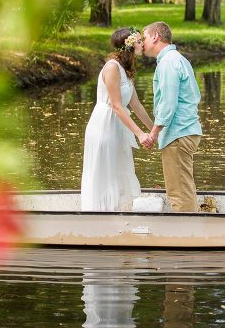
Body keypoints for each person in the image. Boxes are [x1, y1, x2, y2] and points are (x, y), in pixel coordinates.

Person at [81, 27, 154, 211]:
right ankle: (99, 214)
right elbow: (116, 105)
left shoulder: (125, 69)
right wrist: (139, 134)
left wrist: (154, 131)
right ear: (127, 45)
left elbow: (135, 104)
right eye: (138, 41)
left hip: (118, 124)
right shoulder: (112, 67)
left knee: (120, 168)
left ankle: (117, 213)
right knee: (106, 172)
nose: (142, 44)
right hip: (104, 124)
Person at [141, 21, 203, 212]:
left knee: (178, 192)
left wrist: (153, 133)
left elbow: (168, 104)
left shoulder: (168, 63)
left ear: (155, 37)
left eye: (144, 38)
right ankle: (191, 232)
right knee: (184, 187)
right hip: (186, 131)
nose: (142, 43)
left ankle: (186, 237)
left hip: (178, 134)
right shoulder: (179, 59)